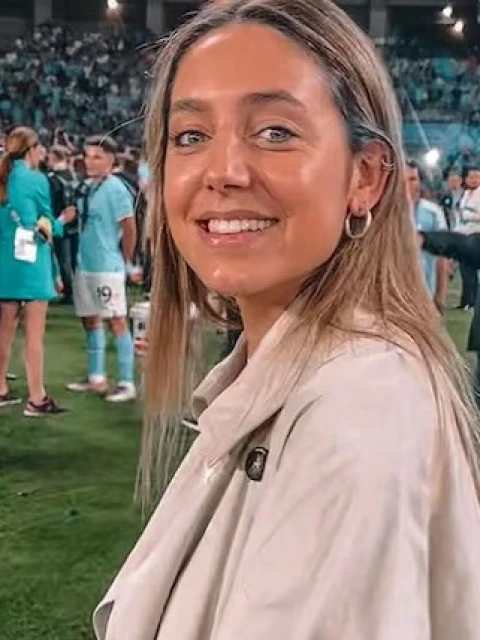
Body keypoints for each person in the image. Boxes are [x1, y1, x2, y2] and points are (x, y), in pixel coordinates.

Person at [94, 2, 480, 638]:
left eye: (275, 132)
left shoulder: (358, 410)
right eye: (190, 136)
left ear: (365, 176)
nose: (222, 171)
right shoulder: (305, 376)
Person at [0, 127, 73, 416]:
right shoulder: (36, 179)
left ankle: (1, 389)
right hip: (32, 264)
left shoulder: (3, 177)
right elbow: (45, 225)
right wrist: (63, 220)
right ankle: (37, 398)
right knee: (34, 334)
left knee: (4, 331)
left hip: (5, 263)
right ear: (32, 149)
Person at [67, 135, 137, 402]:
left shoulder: (116, 189)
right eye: (87, 156)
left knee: (116, 320)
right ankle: (96, 377)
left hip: (107, 267)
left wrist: (126, 261)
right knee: (90, 320)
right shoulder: (87, 187)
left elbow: (129, 227)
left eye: (96, 157)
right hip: (85, 264)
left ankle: (127, 383)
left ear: (110, 160)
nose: (90, 162)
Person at [405, 160, 449, 313]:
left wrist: (440, 296)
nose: (407, 184)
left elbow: (442, 257)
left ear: (420, 182)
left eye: (412, 179)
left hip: (425, 296)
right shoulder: (383, 214)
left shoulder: (433, 213)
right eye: (402, 179)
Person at [47, 144, 78, 304]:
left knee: (63, 259)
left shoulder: (53, 179)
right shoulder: (73, 177)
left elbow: (51, 201)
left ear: (54, 158)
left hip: (60, 222)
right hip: (75, 223)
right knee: (74, 259)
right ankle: (77, 290)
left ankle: (69, 293)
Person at [457, 167, 480, 309]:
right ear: (466, 179)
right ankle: (465, 300)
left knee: (471, 270)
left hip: (476, 234)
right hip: (463, 234)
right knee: (464, 270)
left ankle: (472, 301)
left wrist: (467, 215)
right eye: (472, 177)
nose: (475, 180)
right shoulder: (465, 194)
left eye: (477, 177)